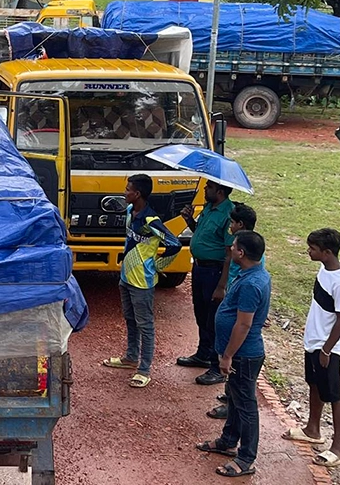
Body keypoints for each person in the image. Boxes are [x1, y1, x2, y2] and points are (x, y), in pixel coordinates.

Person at [196, 230, 271, 478]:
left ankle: (246, 458)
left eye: (234, 246)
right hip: (241, 353)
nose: (230, 248)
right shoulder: (252, 274)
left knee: (246, 405)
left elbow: (243, 324)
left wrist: (227, 356)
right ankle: (228, 441)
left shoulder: (251, 283)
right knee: (236, 401)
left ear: (241, 252)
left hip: (243, 354)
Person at [282, 228, 340, 469]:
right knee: (314, 384)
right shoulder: (324, 269)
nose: (308, 251)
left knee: (334, 394)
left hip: (327, 346)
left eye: (312, 249)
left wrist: (327, 349)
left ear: (327, 252)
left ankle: (338, 447)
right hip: (314, 340)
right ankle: (313, 429)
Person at [101, 173, 181, 388]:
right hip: (126, 276)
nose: (124, 193)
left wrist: (158, 265)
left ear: (137, 194)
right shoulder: (130, 212)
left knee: (145, 325)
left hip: (142, 282)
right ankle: (130, 357)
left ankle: (144, 369)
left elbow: (174, 243)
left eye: (128, 189)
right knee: (129, 318)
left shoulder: (151, 221)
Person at [177, 180, 236, 386]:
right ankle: (203, 354)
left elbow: (229, 254)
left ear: (219, 192)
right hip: (200, 268)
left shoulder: (229, 214)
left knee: (214, 319)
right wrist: (189, 220)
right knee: (201, 313)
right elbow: (201, 233)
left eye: (208, 187)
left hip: (215, 270)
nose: (204, 190)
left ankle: (216, 366)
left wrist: (222, 285)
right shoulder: (208, 208)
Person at [207, 204, 260, 420]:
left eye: (232, 222)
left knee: (236, 365)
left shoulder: (251, 266)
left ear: (240, 225)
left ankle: (231, 404)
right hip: (233, 305)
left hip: (241, 318)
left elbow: (245, 318)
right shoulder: (247, 252)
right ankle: (230, 395)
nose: (229, 226)